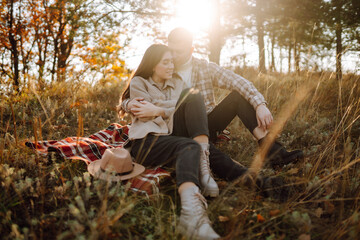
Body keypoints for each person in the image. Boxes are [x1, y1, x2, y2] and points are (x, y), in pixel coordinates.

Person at [121, 28, 303, 174]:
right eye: (172, 51)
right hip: (173, 126)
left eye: (179, 52)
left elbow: (238, 81)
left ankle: (274, 153)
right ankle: (210, 163)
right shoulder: (164, 67)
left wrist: (260, 104)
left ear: (191, 50)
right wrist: (128, 104)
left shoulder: (204, 68)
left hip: (205, 122)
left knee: (237, 97)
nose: (174, 57)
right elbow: (136, 91)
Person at [119, 44, 220, 239]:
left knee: (207, 149)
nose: (171, 66)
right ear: (153, 64)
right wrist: (168, 109)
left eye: (172, 61)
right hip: (145, 143)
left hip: (167, 139)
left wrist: (158, 109)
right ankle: (191, 215)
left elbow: (168, 108)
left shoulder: (177, 83)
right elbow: (146, 112)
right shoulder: (140, 82)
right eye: (165, 62)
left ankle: (258, 181)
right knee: (190, 145)